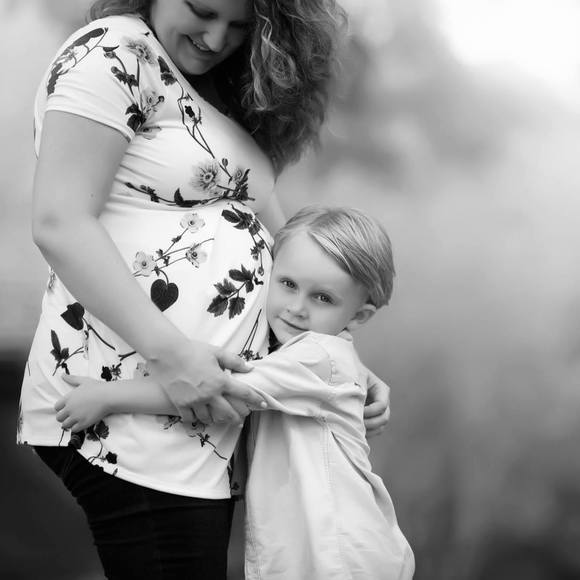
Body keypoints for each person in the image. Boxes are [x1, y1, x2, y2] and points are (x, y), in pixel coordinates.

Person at [17, 1, 390, 578]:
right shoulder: (115, 51)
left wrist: (333, 359)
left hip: (196, 423)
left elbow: (291, 250)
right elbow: (60, 223)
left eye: (240, 25)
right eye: (202, 10)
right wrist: (173, 358)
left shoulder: (213, 88)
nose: (217, 39)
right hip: (132, 407)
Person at [55, 205, 415, 580]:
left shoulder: (317, 356)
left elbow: (217, 390)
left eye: (322, 298)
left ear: (358, 316)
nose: (296, 308)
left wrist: (108, 396)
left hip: (342, 557)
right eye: (288, 284)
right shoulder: (304, 354)